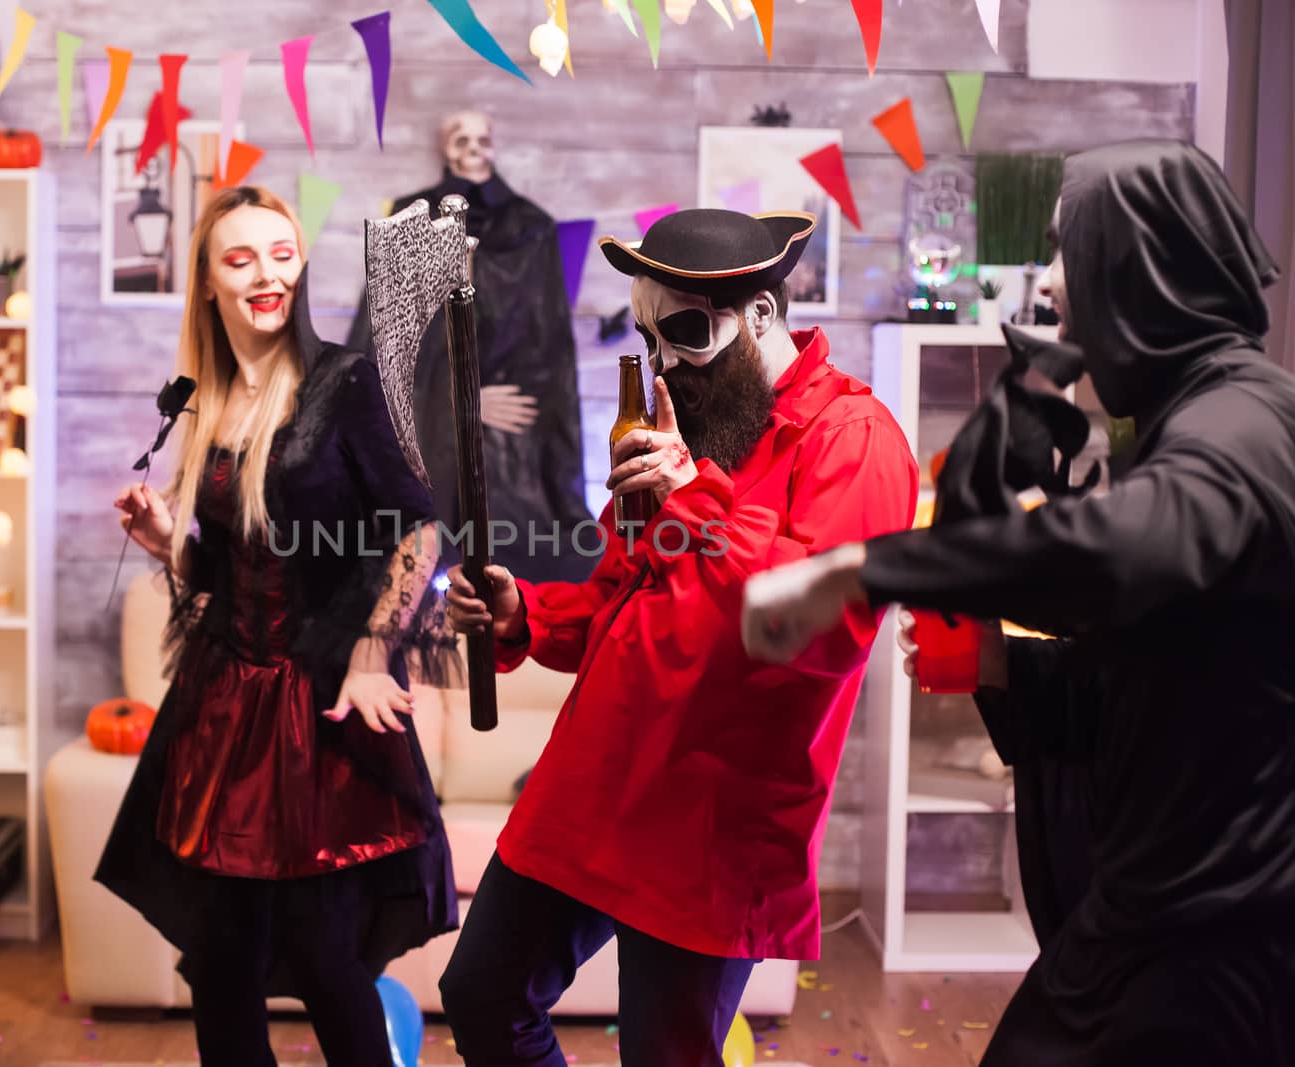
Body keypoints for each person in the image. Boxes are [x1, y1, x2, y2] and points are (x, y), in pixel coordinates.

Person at [740, 139, 1295, 1065]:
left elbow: (1119, 555)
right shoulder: (1196, 411)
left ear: (1131, 260)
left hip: (1218, 938)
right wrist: (1009, 666)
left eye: (1062, 251)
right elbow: (1177, 665)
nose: (1046, 280)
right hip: (1164, 913)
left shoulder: (1238, 432)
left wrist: (859, 571)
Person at [437, 207, 918, 1066]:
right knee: (482, 991)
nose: (666, 364)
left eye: (688, 335)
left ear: (762, 315)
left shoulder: (856, 440)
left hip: (712, 821)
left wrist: (698, 496)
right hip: (595, 785)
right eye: (649, 336)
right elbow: (624, 598)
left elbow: (819, 629)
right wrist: (527, 615)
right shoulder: (683, 430)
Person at [93, 185, 461, 1067]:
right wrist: (164, 545)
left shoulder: (346, 381)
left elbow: (420, 526)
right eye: (241, 257)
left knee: (329, 964)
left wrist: (374, 656)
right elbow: (224, 581)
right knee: (221, 970)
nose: (267, 273)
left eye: (282, 252)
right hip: (223, 713)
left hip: (318, 713)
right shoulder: (212, 403)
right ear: (209, 283)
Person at [349, 109, 596, 583]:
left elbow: (550, 356)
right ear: (445, 148)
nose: (474, 147)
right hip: (427, 429)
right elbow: (383, 345)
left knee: (523, 549)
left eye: (483, 137)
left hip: (505, 441)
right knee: (409, 549)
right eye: (462, 137)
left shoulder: (531, 227)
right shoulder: (411, 221)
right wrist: (459, 400)